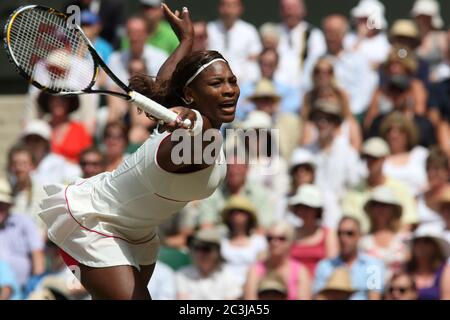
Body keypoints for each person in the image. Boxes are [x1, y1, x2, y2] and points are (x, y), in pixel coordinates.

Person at [38, 4, 240, 300]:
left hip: (139, 233)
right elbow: (195, 126)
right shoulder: (191, 132)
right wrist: (186, 115)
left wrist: (186, 41)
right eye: (216, 83)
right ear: (190, 96)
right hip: (96, 220)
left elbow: (164, 85)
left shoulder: (194, 124)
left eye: (231, 81)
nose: (228, 89)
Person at [304, 14, 377, 119]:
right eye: (327, 32)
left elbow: (365, 91)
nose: (330, 37)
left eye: (334, 33)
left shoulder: (359, 60)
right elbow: (305, 88)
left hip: (351, 115)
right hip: (318, 115)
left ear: (344, 34)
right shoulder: (313, 61)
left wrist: (348, 112)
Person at [342, 137, 418, 233]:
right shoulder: (354, 191)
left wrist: (389, 241)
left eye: (374, 158)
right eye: (367, 158)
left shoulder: (400, 189)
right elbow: (348, 224)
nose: (370, 162)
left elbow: (409, 222)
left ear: (384, 159)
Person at [182, 155, 276, 233]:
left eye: (238, 167)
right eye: (230, 166)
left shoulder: (260, 194)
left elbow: (265, 227)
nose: (233, 171)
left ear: (247, 169)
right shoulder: (212, 193)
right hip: (218, 246)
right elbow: (205, 226)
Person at [294, 99, 363, 200]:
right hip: (310, 209)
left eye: (328, 119)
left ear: (336, 123)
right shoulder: (302, 154)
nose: (322, 123)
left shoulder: (348, 153)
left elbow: (355, 185)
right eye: (318, 118)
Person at [314, 217, 386, 300]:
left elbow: (374, 297)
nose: (343, 238)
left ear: (360, 236)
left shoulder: (373, 265)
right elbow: (319, 297)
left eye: (349, 233)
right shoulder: (324, 266)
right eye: (340, 233)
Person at [300, 58, 362, 150]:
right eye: (318, 71)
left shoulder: (349, 125)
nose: (322, 75)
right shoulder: (309, 126)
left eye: (330, 96)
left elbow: (356, 151)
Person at [0, 178, 45, 297]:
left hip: (24, 289)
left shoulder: (23, 222)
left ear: (9, 205)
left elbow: (37, 255)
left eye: (2, 204)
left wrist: (35, 285)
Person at [364, 46, 428, 131]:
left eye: (398, 65)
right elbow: (369, 121)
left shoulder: (416, 87)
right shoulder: (381, 91)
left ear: (407, 67)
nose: (394, 69)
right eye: (391, 65)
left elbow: (420, 115)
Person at [244, 221, 312, 300]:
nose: (274, 242)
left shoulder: (300, 271)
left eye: (281, 238)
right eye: (270, 238)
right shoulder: (255, 270)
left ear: (290, 241)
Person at [359, 186, 411, 278]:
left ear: (393, 210)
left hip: (398, 290)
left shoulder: (405, 238)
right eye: (376, 205)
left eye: (385, 206)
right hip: (371, 288)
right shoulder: (363, 241)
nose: (380, 210)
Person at [175, 228, 242, 300]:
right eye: (197, 248)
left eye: (206, 249)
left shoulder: (229, 276)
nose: (200, 254)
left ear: (217, 252)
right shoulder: (182, 274)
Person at [288, 184, 338, 277]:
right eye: (300, 207)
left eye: (307, 207)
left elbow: (332, 266)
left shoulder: (328, 234)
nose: (303, 211)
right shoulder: (290, 233)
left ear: (316, 210)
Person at [207, 0, 262, 84]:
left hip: (243, 82)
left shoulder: (249, 31)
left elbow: (255, 56)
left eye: (232, 6)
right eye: (224, 6)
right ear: (219, 8)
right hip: (215, 79)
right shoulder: (210, 29)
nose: (228, 11)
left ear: (240, 8)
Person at [237, 49, 302, 119]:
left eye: (270, 64)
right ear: (258, 64)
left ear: (277, 65)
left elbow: (293, 107)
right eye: (263, 63)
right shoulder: (245, 88)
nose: (266, 68)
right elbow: (238, 109)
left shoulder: (287, 90)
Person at [275, 0, 326, 89]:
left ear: (303, 10)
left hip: (304, 89)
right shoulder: (273, 33)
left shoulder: (313, 34)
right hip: (277, 90)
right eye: (285, 8)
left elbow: (315, 62)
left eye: (293, 8)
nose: (289, 12)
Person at [220, 195, 267, 288]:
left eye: (241, 212)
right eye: (233, 212)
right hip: (224, 288)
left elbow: (262, 268)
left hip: (251, 287)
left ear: (249, 216)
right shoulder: (221, 239)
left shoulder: (259, 241)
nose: (237, 215)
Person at [379, 112, 429, 196]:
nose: (394, 135)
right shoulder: (379, 158)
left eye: (400, 131)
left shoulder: (421, 154)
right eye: (389, 130)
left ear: (408, 134)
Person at [21, 120, 81, 188]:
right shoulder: (19, 163)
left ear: (46, 143)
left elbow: (77, 173)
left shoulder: (58, 161)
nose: (33, 143)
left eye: (37, 140)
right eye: (29, 140)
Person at [37, 92, 93, 164]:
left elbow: (88, 157)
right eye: (53, 100)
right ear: (48, 103)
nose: (57, 103)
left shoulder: (80, 129)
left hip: (76, 174)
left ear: (69, 103)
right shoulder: (40, 128)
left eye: (62, 100)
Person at [7, 144, 47, 237]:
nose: (19, 168)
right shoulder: (6, 192)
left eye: (24, 163)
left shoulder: (43, 192)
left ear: (32, 166)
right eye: (15, 163)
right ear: (10, 167)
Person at [345, 0, 390, 69]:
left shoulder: (384, 42)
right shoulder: (349, 38)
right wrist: (359, 38)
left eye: (366, 19)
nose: (363, 23)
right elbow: (346, 60)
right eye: (361, 19)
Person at [407, 227, 450, 300]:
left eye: (426, 242)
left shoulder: (445, 271)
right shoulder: (405, 269)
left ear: (435, 247)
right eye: (418, 242)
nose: (421, 246)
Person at [411, 0, 447, 76]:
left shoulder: (441, 38)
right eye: (420, 16)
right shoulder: (412, 38)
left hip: (437, 83)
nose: (422, 20)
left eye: (426, 17)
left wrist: (437, 74)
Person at [416, 148, 450, 229]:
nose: (431, 173)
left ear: (447, 172)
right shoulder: (419, 196)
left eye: (436, 168)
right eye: (428, 168)